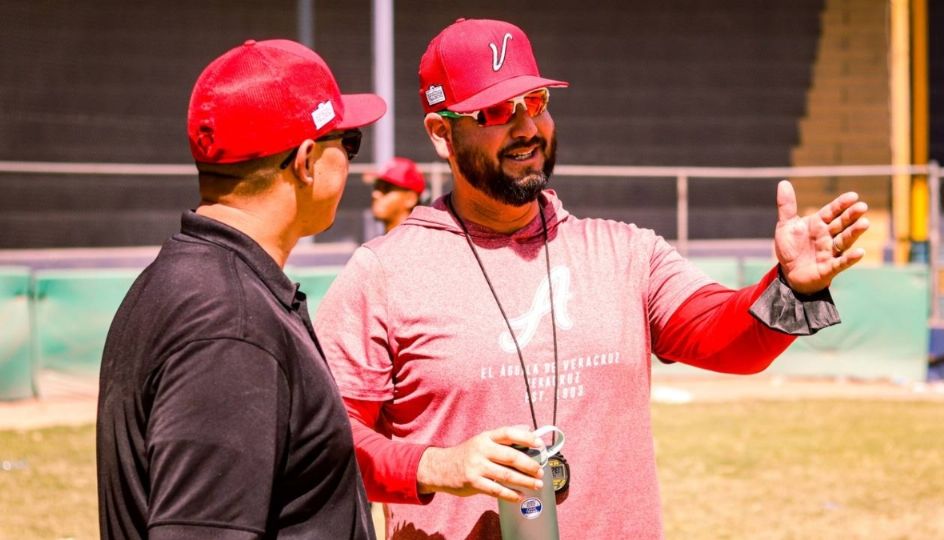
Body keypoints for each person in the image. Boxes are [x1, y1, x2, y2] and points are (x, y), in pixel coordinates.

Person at [314, 18, 870, 540]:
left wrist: (790, 288)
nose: (527, 127)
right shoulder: (383, 273)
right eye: (495, 112)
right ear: (441, 132)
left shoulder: (626, 251)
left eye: (535, 102)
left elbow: (728, 341)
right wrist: (436, 464)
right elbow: (327, 445)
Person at [96, 39, 385, 539]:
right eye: (350, 142)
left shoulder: (188, 281)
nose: (353, 165)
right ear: (307, 161)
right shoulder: (231, 326)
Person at [370, 157, 426, 234]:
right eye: (376, 187)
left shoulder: (420, 242)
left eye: (386, 188)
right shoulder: (383, 242)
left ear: (410, 199)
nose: (375, 194)